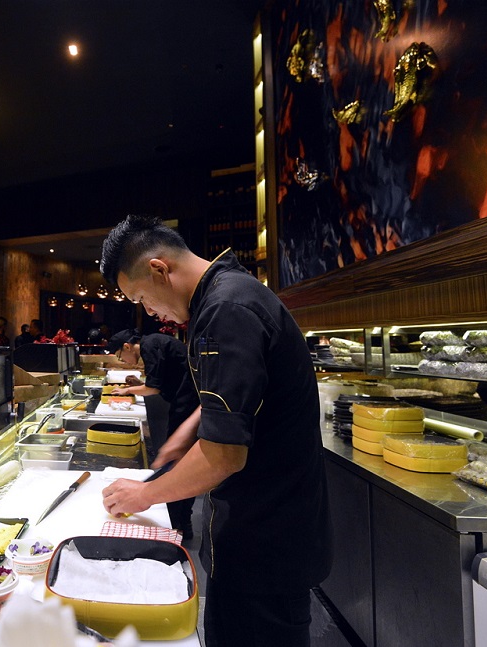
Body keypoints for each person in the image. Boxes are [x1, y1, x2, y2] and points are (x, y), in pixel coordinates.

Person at [99, 215, 331, 647]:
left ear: (158, 269)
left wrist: (144, 494)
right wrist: (190, 429)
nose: (150, 313)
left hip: (265, 539)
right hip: (260, 530)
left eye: (142, 299)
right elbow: (238, 399)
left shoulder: (226, 310)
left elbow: (225, 455)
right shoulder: (229, 291)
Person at [106, 328, 198, 538]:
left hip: (187, 406)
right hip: (186, 403)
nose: (124, 361)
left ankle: (179, 523)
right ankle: (181, 521)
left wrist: (127, 390)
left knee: (176, 464)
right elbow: (162, 380)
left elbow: (154, 388)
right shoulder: (153, 342)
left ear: (127, 346)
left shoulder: (149, 346)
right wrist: (139, 385)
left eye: (120, 356)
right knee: (176, 462)